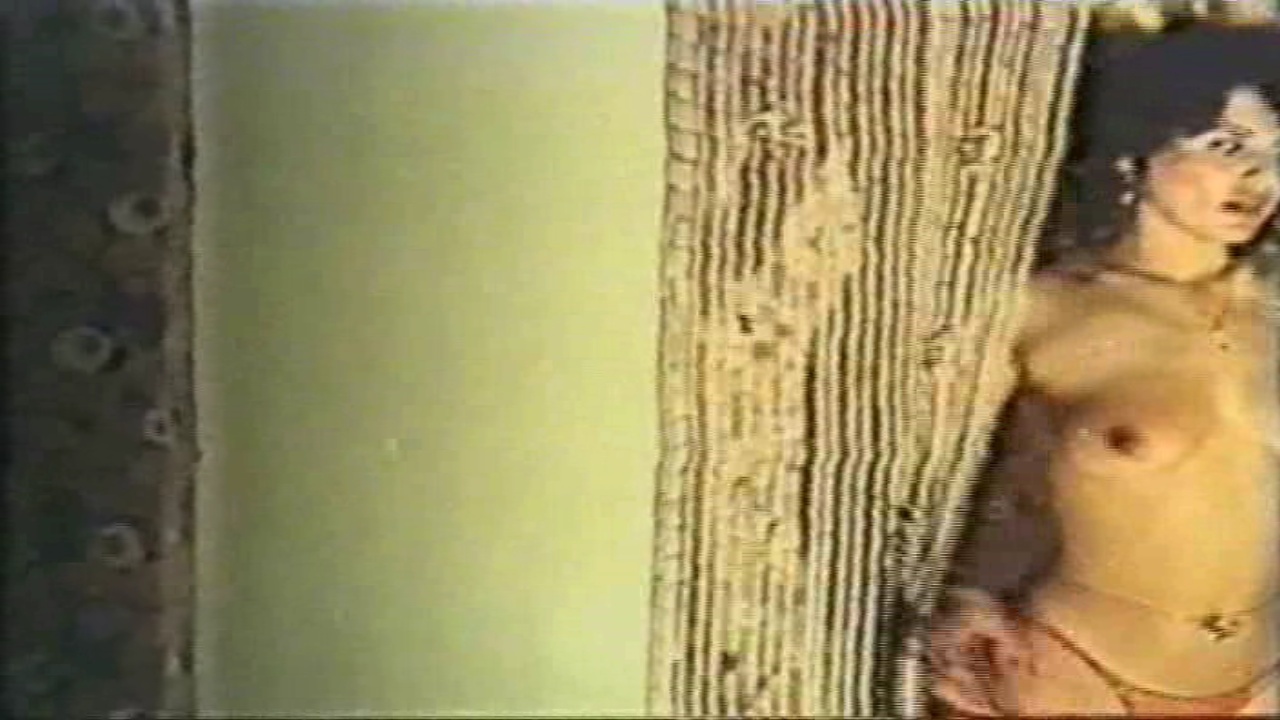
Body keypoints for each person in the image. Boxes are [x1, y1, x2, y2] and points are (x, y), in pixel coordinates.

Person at [927, 26, 1280, 717]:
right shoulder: (1044, 310)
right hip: (1075, 679)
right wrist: (966, 593)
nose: (1258, 180)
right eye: (1227, 147)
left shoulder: (1275, 313)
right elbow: (976, 474)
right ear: (1139, 148)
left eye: (1278, 157)